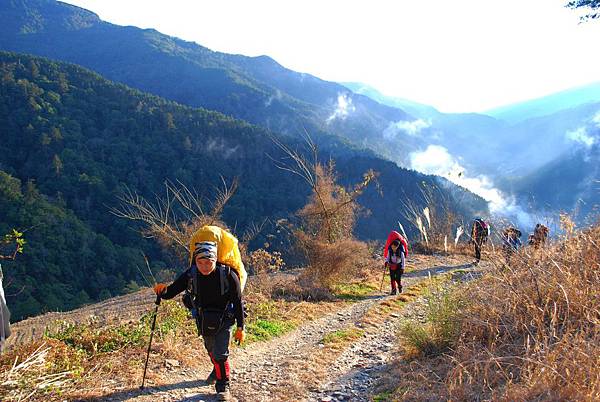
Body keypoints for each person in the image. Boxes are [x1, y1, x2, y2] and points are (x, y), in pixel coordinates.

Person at [153, 241, 244, 401]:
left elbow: (237, 302)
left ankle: (223, 386)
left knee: (220, 354)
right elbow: (173, 291)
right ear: (195, 261)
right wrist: (162, 291)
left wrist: (240, 328)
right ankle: (217, 370)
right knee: (210, 349)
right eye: (200, 262)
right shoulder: (191, 274)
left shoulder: (229, 275)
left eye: (208, 262)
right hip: (203, 319)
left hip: (225, 319)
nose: (204, 266)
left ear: (215, 260)